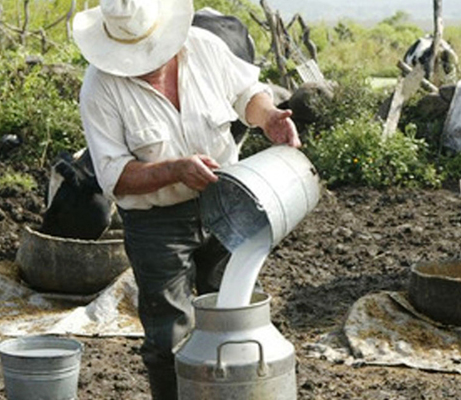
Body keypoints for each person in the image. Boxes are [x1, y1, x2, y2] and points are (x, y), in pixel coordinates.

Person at [72, 0, 301, 398]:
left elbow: (247, 92)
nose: (147, 61)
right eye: (134, 56)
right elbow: (116, 178)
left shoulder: (204, 47)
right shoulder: (100, 87)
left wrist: (268, 117)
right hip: (156, 223)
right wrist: (175, 170)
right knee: (168, 336)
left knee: (238, 316)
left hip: (227, 201)